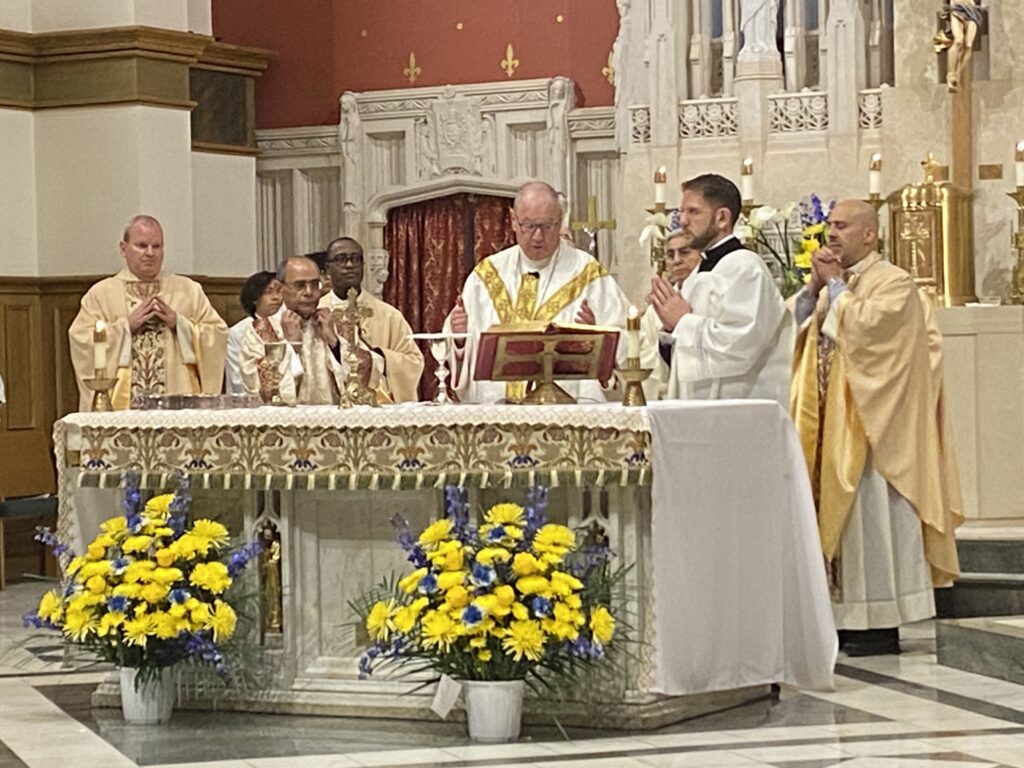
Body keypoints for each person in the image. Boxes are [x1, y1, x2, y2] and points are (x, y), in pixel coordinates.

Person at [790, 199, 963, 656]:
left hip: (875, 432)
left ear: (870, 235)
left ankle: (877, 621)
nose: (831, 234)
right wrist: (813, 291)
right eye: (829, 226)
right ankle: (842, 620)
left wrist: (836, 291)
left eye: (842, 226)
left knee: (870, 523)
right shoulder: (836, 284)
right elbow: (799, 331)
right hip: (831, 425)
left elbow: (873, 334)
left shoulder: (894, 282)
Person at [447, 181, 630, 403]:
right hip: (497, 415)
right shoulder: (485, 276)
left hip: (567, 416)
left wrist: (598, 338)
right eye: (529, 226)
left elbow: (629, 345)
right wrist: (460, 336)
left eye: (547, 226)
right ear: (513, 220)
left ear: (560, 220)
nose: (537, 237)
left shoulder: (588, 275)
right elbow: (459, 352)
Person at [648, 174, 793, 406]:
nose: (682, 220)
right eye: (681, 211)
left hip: (741, 409)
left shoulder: (745, 268)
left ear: (722, 218)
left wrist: (683, 322)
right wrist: (669, 328)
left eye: (693, 211)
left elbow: (741, 344)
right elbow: (681, 359)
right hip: (702, 411)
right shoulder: (699, 273)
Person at [68, 215, 228, 411]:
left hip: (178, 404)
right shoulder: (101, 293)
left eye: (157, 246)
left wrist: (180, 324)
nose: (150, 253)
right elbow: (80, 338)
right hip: (121, 407)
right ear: (123, 248)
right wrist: (124, 327)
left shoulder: (188, 290)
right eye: (142, 246)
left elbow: (218, 333)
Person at [239, 256, 365, 405]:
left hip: (335, 423)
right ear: (280, 289)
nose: (309, 292)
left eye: (314, 284)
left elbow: (368, 376)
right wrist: (292, 346)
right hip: (285, 425)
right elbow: (261, 390)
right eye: (300, 285)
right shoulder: (260, 332)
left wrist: (335, 343)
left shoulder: (338, 325)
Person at [318, 236, 424, 403]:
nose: (349, 265)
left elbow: (413, 362)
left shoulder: (389, 315)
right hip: (331, 406)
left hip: (378, 407)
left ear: (363, 266)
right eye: (341, 259)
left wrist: (379, 357)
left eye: (355, 259)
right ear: (327, 269)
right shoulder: (318, 313)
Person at [640, 232, 701, 401]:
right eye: (670, 254)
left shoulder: (707, 298)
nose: (676, 260)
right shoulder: (656, 309)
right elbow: (642, 354)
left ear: (701, 255)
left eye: (684, 252)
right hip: (664, 396)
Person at [225, 272, 283, 395]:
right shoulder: (238, 332)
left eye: (279, 291)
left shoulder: (287, 325)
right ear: (255, 298)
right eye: (269, 292)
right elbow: (236, 376)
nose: (276, 297)